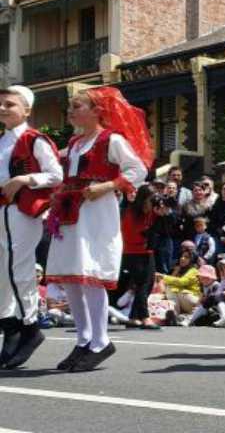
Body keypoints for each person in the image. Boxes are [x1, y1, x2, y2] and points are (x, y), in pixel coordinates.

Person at [46, 87, 151, 372]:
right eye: (70, 106)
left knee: (90, 275)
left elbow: (137, 169)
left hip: (96, 212)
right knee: (72, 278)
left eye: (77, 106)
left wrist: (108, 185)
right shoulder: (75, 143)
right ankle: (84, 339)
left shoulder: (111, 140)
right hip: (70, 213)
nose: (70, 111)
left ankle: (101, 340)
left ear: (97, 111)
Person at [0, 85, 62, 369]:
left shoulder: (34, 139)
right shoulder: (2, 140)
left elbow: (55, 174)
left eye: (9, 104)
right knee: (3, 271)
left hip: (22, 210)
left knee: (19, 268)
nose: (2, 108)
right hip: (3, 210)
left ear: (27, 110)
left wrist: (24, 180)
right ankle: (11, 328)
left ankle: (30, 327)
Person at [118, 184, 160, 330]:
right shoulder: (131, 212)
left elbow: (165, 224)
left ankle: (134, 317)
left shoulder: (152, 211)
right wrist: (146, 233)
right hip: (134, 252)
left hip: (148, 252)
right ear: (143, 198)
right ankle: (145, 317)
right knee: (142, 283)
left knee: (148, 284)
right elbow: (129, 233)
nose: (153, 200)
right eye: (151, 198)